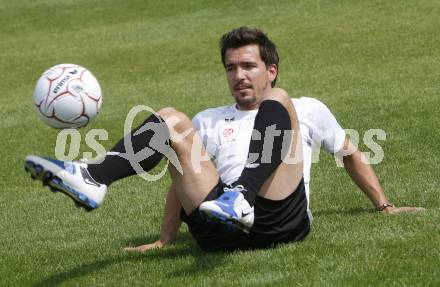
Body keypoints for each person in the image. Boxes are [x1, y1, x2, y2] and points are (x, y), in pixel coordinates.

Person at [24, 27, 421, 252]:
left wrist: (383, 205)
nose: (239, 75)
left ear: (272, 69)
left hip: (278, 221)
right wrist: (165, 239)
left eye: (249, 66)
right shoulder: (211, 119)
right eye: (231, 68)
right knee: (171, 119)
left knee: (280, 104)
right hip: (217, 227)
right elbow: (181, 183)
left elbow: (350, 154)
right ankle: (93, 177)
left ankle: (243, 197)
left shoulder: (304, 106)